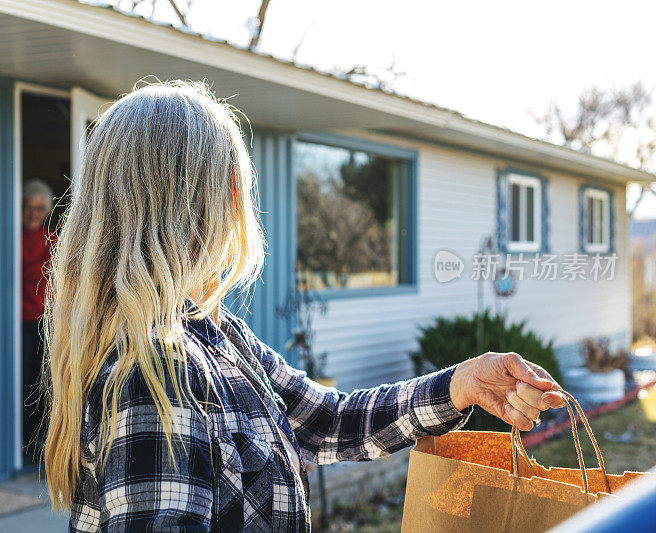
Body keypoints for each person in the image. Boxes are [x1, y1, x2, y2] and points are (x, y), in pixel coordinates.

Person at [42, 81, 566, 532]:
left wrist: (462, 385)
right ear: (223, 196)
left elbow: (327, 421)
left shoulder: (218, 337)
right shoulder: (156, 374)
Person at [21, 178, 56, 463]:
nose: (33, 213)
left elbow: (40, 275)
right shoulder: (13, 237)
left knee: (39, 384)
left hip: (42, 321)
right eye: (28, 207)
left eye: (39, 208)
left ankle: (35, 442)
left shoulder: (51, 239)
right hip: (16, 322)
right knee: (18, 381)